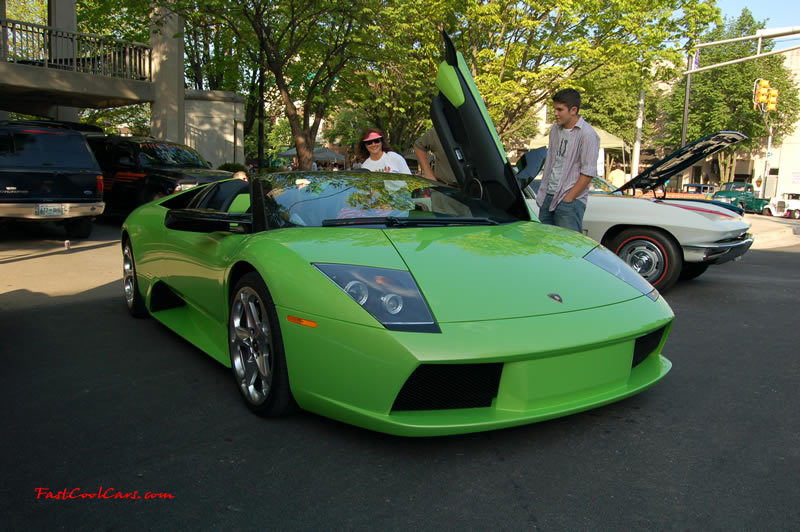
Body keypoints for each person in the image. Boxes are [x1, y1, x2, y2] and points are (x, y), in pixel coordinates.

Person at [536, 88, 600, 233]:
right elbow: (552, 162)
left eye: (560, 110)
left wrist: (569, 198)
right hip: (548, 196)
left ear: (573, 110)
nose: (555, 114)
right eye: (555, 109)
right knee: (544, 245)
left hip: (569, 200)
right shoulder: (555, 129)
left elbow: (588, 172)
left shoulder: (587, 134)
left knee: (567, 248)